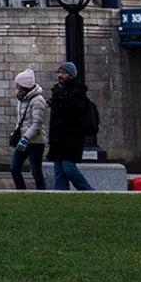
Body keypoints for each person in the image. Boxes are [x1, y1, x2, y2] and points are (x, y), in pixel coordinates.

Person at [45, 60, 98, 190]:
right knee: (59, 171)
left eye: (64, 72)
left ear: (71, 75)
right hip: (58, 137)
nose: (60, 75)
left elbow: (74, 110)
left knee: (68, 167)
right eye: (59, 72)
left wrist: (59, 98)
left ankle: (88, 190)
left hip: (71, 137)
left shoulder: (78, 92)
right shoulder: (57, 91)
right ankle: (62, 196)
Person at [7, 68, 48, 190]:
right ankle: (21, 192)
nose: (16, 86)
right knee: (14, 168)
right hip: (23, 140)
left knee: (36, 171)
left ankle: (42, 194)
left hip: (35, 141)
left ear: (24, 85)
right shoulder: (22, 99)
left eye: (18, 83)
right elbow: (21, 121)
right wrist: (15, 134)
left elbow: (37, 123)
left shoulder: (38, 100)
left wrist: (25, 138)